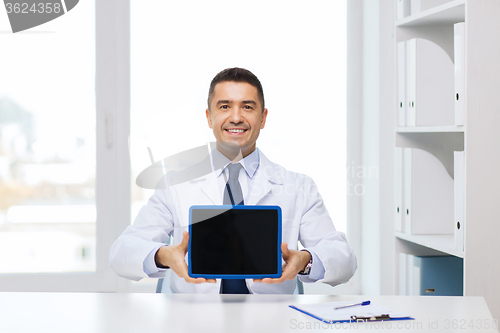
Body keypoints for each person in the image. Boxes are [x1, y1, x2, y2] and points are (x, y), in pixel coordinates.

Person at [110, 68, 357, 294]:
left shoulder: (298, 186)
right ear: (209, 117)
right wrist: (163, 255)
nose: (236, 117)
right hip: (192, 323)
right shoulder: (175, 185)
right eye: (225, 106)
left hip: (271, 321)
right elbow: (121, 254)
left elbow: (344, 261)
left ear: (263, 118)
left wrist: (305, 260)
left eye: (247, 107)